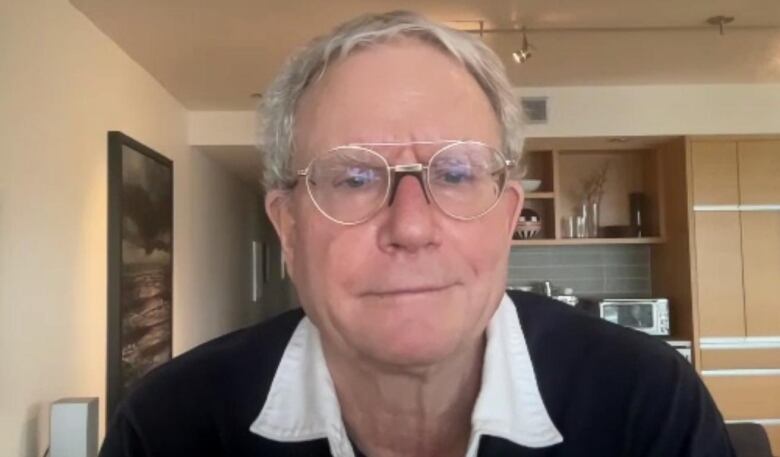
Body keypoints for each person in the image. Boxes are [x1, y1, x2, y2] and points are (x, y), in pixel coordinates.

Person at [99, 11, 735, 457]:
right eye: (352, 178)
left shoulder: (646, 401)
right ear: (287, 228)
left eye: (455, 173)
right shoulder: (168, 427)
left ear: (509, 218)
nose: (410, 226)